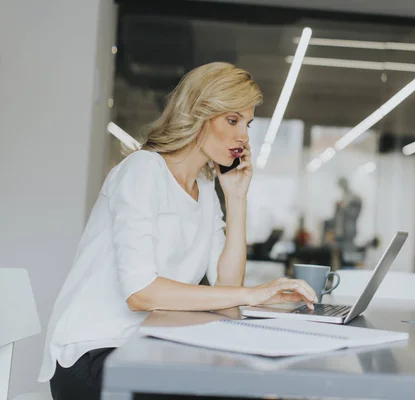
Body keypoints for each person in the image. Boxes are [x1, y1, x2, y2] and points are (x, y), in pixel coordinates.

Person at [39, 62, 318, 400]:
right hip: (94, 354)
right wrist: (254, 293)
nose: (243, 136)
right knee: (242, 391)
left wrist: (236, 197)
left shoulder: (203, 190)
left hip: (149, 343)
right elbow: (141, 293)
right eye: (232, 120)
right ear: (199, 114)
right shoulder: (143, 170)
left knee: (258, 382)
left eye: (246, 123)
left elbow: (226, 288)